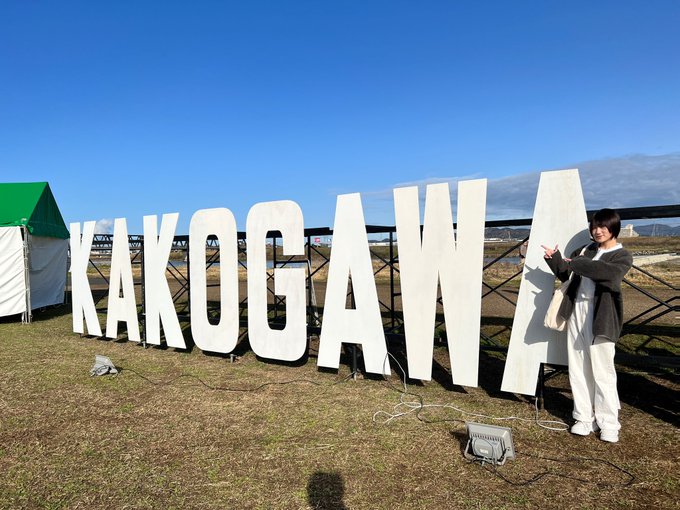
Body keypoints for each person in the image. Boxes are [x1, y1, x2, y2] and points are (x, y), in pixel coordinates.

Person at [541, 208, 633, 443]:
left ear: (614, 228)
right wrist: (555, 259)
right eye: (594, 226)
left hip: (602, 316)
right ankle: (583, 417)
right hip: (577, 312)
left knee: (603, 371)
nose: (598, 231)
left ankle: (608, 423)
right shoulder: (584, 251)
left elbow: (609, 275)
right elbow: (568, 275)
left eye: (603, 226)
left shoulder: (621, 255)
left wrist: (577, 263)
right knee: (578, 368)